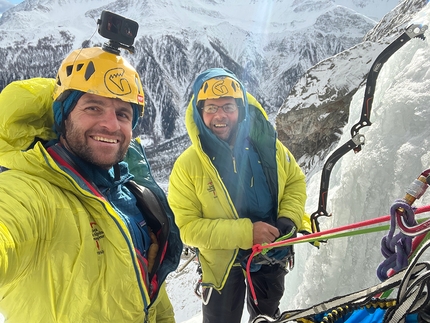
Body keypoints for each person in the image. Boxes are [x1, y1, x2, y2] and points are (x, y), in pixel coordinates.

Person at [0, 45, 182, 322]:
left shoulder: (130, 196)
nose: (110, 125)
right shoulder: (28, 190)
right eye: (93, 107)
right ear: (63, 116)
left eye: (123, 114)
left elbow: (151, 293)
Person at [168, 67, 310, 323]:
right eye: (211, 108)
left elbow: (295, 181)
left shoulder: (269, 148)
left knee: (266, 316)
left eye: (228, 107)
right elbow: (188, 228)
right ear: (200, 113)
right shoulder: (188, 166)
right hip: (222, 264)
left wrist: (289, 219)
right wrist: (247, 233)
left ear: (240, 111)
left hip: (271, 251)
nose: (220, 115)